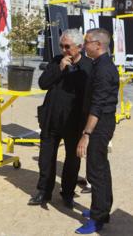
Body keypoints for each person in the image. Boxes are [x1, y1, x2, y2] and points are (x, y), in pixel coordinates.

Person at [28, 29, 92, 208]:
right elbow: (43, 84)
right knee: (45, 158)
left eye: (67, 47)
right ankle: (43, 192)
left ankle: (67, 193)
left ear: (79, 47)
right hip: (51, 119)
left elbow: (89, 97)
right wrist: (60, 68)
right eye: (61, 46)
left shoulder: (88, 66)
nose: (64, 50)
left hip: (73, 122)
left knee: (72, 160)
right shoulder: (57, 61)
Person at [75, 28, 119, 234]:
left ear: (98, 45)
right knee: (100, 168)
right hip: (100, 123)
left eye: (87, 42)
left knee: (96, 172)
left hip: (99, 126)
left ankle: (98, 217)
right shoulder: (99, 65)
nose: (84, 46)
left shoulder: (103, 69)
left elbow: (98, 106)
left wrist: (86, 134)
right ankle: (101, 209)